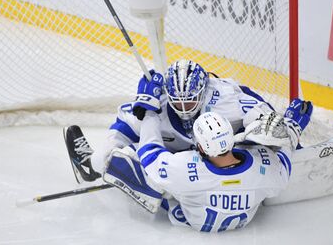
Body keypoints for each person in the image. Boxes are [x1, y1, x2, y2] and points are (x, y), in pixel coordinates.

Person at [63, 59, 312, 185]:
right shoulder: (156, 103)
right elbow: (123, 126)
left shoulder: (225, 96)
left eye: (190, 101)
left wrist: (287, 130)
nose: (184, 109)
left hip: (221, 155)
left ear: (203, 91)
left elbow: (263, 116)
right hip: (176, 159)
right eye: (177, 102)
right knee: (103, 158)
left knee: (267, 141)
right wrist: (143, 110)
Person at [125, 109, 302, 232]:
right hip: (243, 222)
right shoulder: (265, 166)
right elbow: (284, 164)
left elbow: (149, 154)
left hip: (190, 220)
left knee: (132, 155)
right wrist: (290, 129)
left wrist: (150, 114)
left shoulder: (185, 168)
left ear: (200, 148)